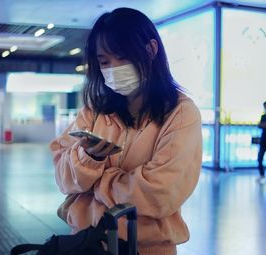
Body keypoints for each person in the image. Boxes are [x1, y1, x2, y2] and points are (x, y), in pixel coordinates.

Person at [50, 8, 202, 255]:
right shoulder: (94, 110)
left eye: (122, 57)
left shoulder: (180, 114)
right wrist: (91, 159)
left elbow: (159, 194)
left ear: (151, 50)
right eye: (104, 62)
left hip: (146, 249)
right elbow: (62, 177)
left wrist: (98, 181)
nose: (113, 68)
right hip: (86, 244)